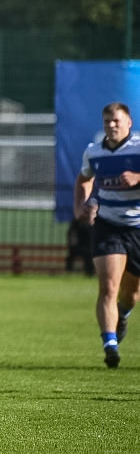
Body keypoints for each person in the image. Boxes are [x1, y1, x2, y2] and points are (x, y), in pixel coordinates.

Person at [73, 101, 140, 368]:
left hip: (137, 227)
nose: (111, 125)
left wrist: (138, 178)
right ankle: (110, 344)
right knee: (108, 286)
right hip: (108, 224)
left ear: (129, 123)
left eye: (116, 121)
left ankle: (122, 314)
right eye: (107, 121)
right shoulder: (94, 152)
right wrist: (80, 206)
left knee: (131, 293)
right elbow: (83, 179)